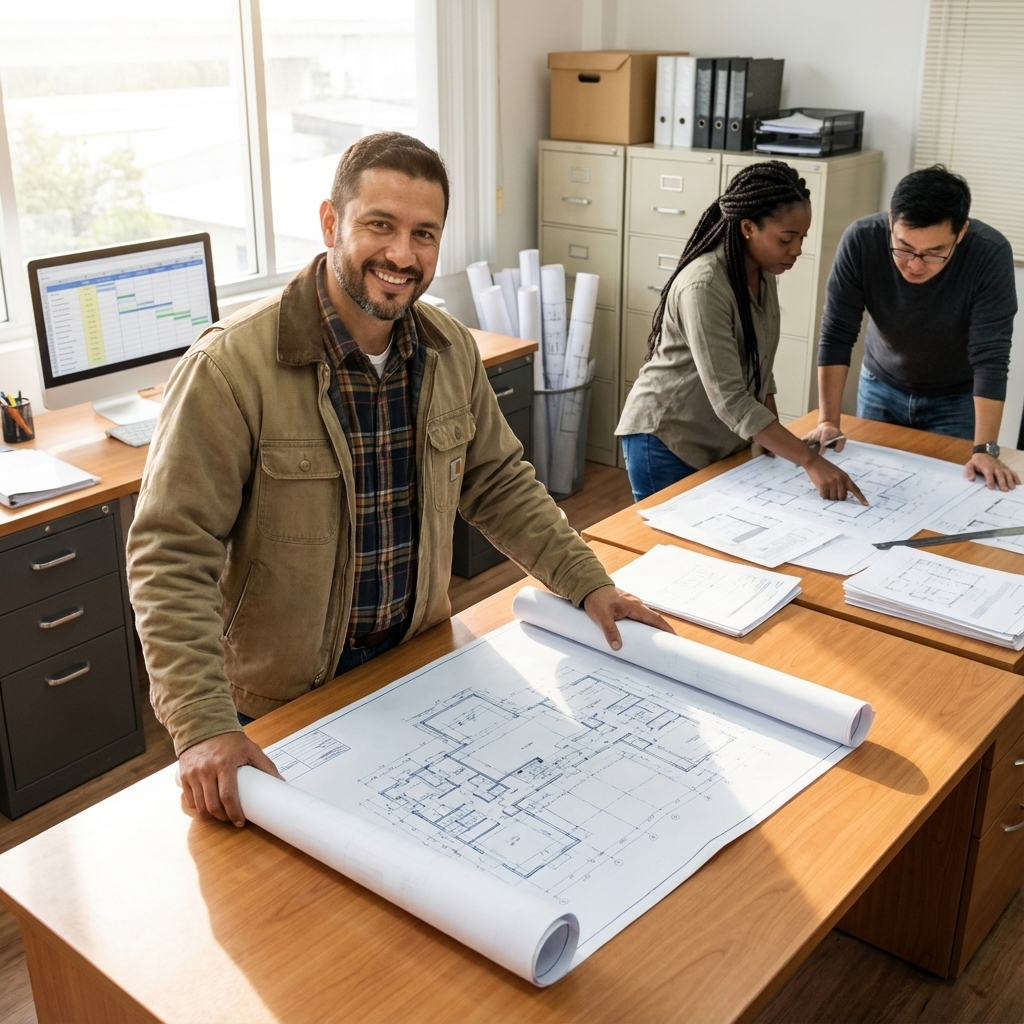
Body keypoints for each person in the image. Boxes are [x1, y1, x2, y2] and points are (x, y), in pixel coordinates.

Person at [127, 132, 669, 828]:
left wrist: (589, 583)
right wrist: (201, 725)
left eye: (424, 233)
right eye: (379, 225)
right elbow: (172, 554)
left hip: (417, 666)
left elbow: (499, 482)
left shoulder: (447, 351)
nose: (403, 256)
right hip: (281, 703)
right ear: (331, 223)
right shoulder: (232, 368)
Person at [616, 160, 866, 505]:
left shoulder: (763, 272)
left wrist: (777, 443)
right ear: (748, 227)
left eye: (801, 238)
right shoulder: (704, 285)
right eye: (787, 239)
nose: (797, 250)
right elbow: (732, 398)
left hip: (720, 439)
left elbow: (759, 364)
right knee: (672, 552)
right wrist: (809, 460)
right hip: (668, 440)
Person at [805, 165, 1019, 491]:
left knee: (946, 493)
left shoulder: (989, 254)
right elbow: (836, 333)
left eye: (934, 253)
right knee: (875, 487)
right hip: (881, 385)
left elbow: (990, 356)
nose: (915, 265)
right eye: (904, 248)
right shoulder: (861, 240)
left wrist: (985, 449)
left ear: (960, 233)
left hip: (955, 398)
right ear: (891, 221)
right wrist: (828, 421)